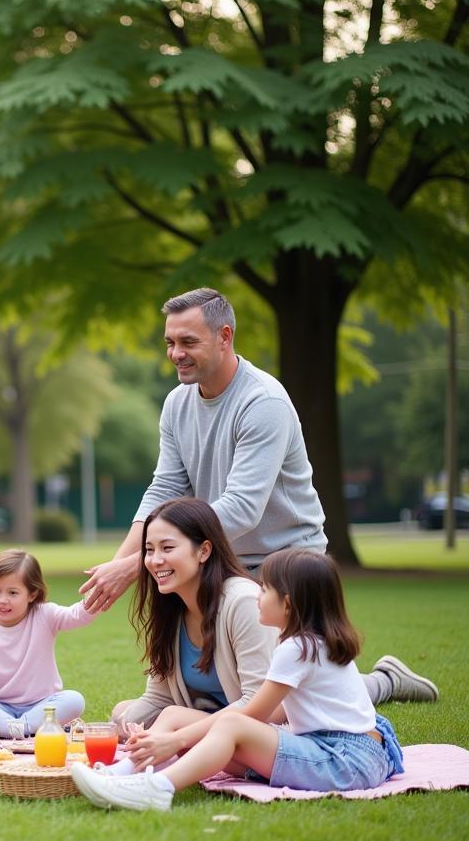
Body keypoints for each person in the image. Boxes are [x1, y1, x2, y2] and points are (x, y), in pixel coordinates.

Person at [81, 286, 437, 704]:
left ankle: (384, 682)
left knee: (286, 699)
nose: (176, 353)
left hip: (285, 563)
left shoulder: (262, 402)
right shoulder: (177, 404)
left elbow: (242, 509)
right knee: (229, 689)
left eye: (188, 342)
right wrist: (123, 562)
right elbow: (163, 489)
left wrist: (140, 565)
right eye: (170, 342)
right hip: (216, 556)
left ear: (225, 337)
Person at [72, 548, 405, 810]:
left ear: (287, 604)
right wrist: (178, 735)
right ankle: (127, 772)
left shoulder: (297, 648)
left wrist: (175, 741)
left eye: (265, 589)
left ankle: (156, 789)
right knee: (174, 717)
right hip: (352, 751)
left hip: (343, 759)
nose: (256, 594)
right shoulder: (309, 640)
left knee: (228, 729)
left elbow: (252, 716)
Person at [106, 498, 436, 751]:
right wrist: (104, 730)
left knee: (331, 690)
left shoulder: (242, 603)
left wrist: (180, 733)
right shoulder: (170, 608)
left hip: (265, 711)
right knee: (125, 713)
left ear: (204, 550)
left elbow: (264, 702)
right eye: (148, 550)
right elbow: (160, 698)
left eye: (167, 548)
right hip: (222, 712)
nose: (154, 560)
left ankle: (387, 681)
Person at [0, 549, 98, 737]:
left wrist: (97, 591)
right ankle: (27, 728)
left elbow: (77, 615)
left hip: (43, 705)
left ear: (32, 594)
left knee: (74, 700)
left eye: (13, 593)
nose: (3, 600)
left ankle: (13, 729)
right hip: (0, 707)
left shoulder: (45, 614)